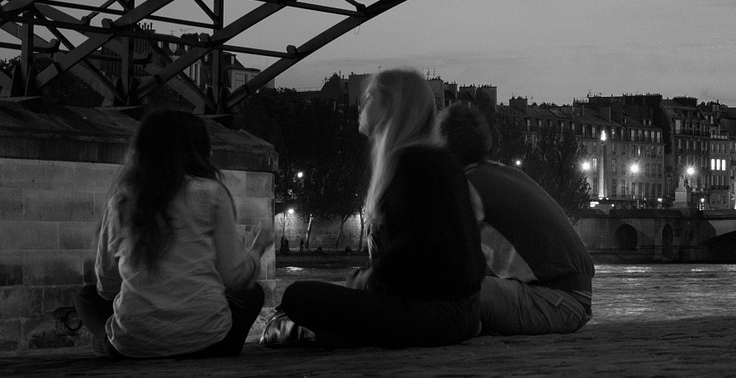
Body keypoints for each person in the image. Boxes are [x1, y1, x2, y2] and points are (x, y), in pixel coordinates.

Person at [261, 68, 485, 349]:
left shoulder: (411, 163)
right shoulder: (438, 161)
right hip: (460, 313)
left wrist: (371, 277)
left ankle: (317, 332)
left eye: (369, 98)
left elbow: (416, 247)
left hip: (434, 314)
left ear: (391, 106)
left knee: (297, 296)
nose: (361, 105)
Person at [74, 109, 271, 359]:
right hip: (211, 344)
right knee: (253, 294)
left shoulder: (122, 201)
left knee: (86, 297)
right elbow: (233, 277)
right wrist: (258, 247)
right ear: (198, 149)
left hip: (132, 348)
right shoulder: (212, 193)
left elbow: (106, 285)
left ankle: (109, 341)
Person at [436, 103, 594, 334]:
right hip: (572, 297)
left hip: (556, 301)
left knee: (445, 294)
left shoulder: (467, 187)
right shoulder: (506, 173)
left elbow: (449, 258)